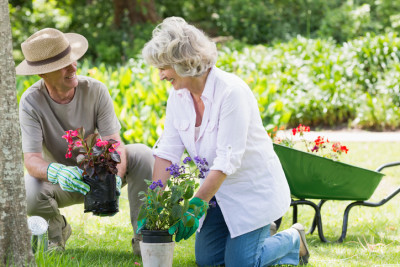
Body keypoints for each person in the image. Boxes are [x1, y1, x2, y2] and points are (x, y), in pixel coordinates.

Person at [140, 17, 311, 266]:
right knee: (208, 262)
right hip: (217, 197)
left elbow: (226, 160)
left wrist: (195, 206)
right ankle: (251, 241)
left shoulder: (231, 92)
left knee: (241, 263)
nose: (161, 76)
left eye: (163, 68)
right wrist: (154, 200)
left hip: (251, 193)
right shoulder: (178, 96)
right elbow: (168, 150)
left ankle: (293, 239)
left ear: (183, 62)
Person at [16, 28, 154, 253]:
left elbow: (114, 143)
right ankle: (56, 234)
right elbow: (31, 160)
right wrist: (58, 172)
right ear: (42, 74)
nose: (73, 67)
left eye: (72, 60)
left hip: (99, 174)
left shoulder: (95, 90)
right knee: (28, 188)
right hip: (63, 182)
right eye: (63, 65)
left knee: (142, 154)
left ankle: (145, 239)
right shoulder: (31, 102)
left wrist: (115, 178)